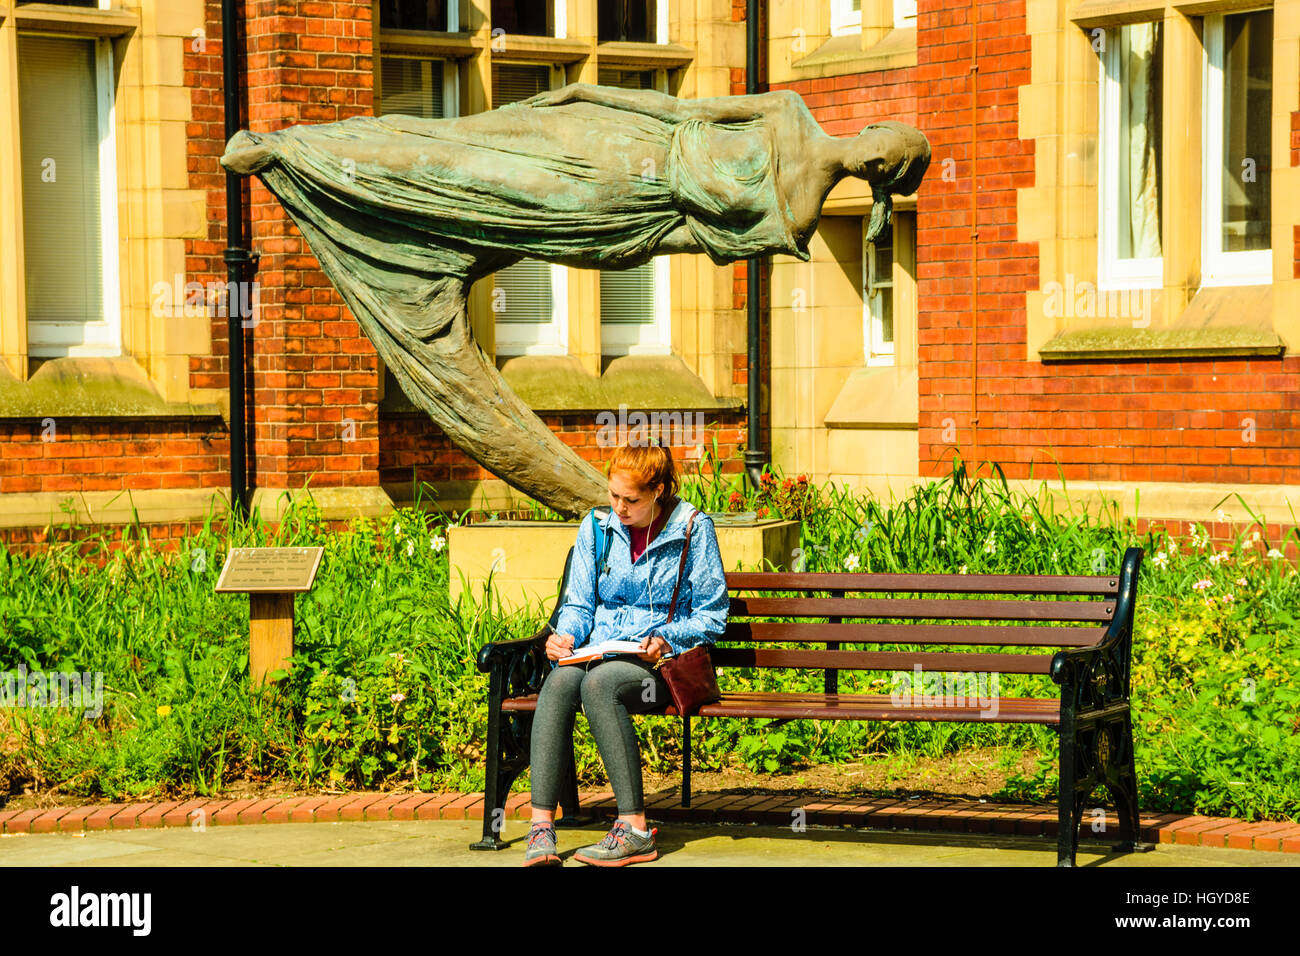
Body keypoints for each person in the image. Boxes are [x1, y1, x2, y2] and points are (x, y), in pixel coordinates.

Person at [219, 86, 930, 518]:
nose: (877, 155)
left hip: (616, 206)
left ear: (884, 177)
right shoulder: (787, 110)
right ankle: (296, 150)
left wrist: (616, 239)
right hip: (612, 138)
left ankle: (293, 157)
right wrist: (582, 97)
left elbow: (684, 233)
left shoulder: (798, 217)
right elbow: (678, 109)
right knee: (460, 144)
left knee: (469, 179)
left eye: (889, 165)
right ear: (874, 132)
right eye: (885, 143)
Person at [523, 441, 729, 866]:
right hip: (597, 650)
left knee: (600, 684)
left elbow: (713, 614)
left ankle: (634, 829)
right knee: (560, 682)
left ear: (658, 490)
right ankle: (542, 827)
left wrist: (667, 638)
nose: (618, 507)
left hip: (656, 663)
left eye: (630, 500)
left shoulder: (691, 528)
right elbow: (579, 603)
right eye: (613, 495)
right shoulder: (596, 527)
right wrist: (564, 636)